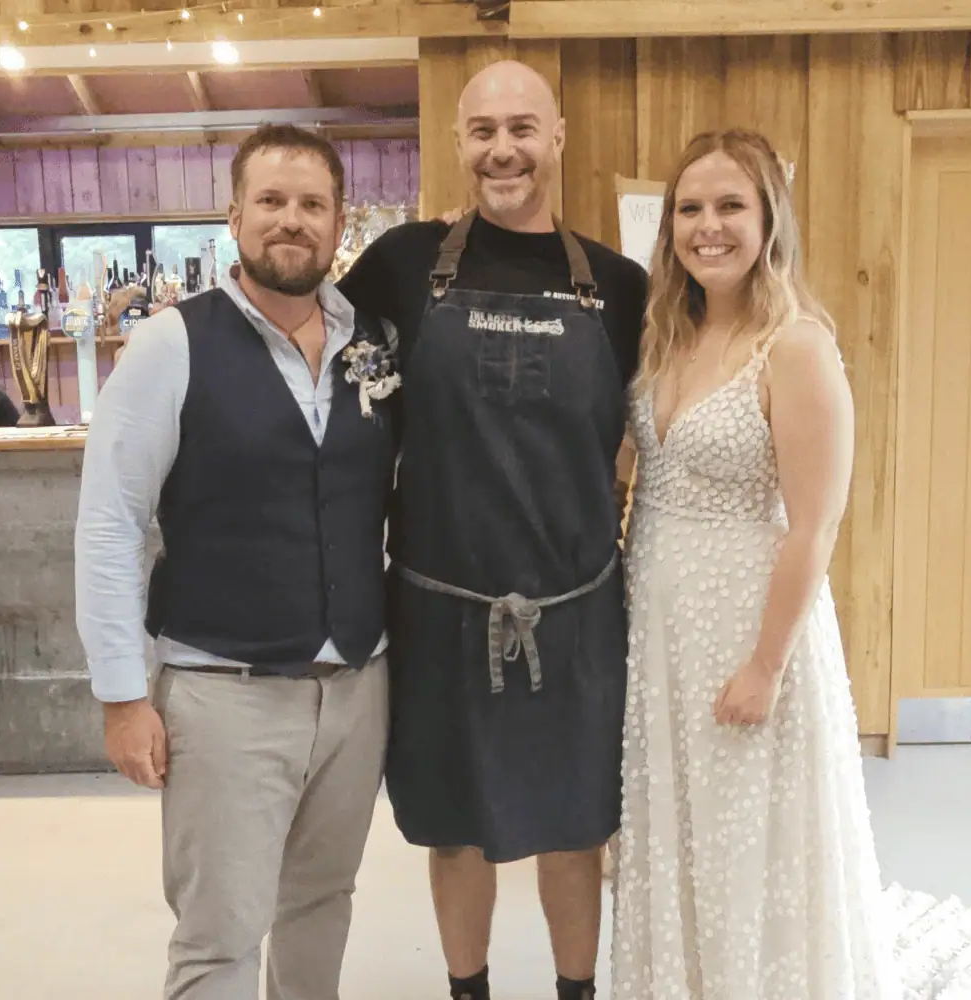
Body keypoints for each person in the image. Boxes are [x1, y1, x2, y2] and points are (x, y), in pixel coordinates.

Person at [337, 60, 647, 1000]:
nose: (502, 150)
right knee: (455, 827)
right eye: (482, 132)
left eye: (522, 129)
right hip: (440, 610)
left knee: (575, 827)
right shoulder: (402, 265)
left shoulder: (621, 287)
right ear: (459, 143)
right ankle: (465, 989)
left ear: (557, 138)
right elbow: (316, 359)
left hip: (579, 612)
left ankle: (576, 991)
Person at [74, 123, 399, 1000]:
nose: (291, 219)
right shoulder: (171, 344)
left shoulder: (373, 343)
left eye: (312, 204)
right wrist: (121, 696)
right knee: (218, 935)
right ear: (234, 217)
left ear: (339, 225)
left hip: (356, 688)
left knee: (321, 905)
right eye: (271, 200)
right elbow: (109, 523)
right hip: (226, 693)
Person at [611, 128, 900, 999]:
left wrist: (767, 666)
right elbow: (632, 468)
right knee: (681, 828)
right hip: (660, 630)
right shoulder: (666, 337)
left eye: (731, 206)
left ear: (771, 218)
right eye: (689, 209)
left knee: (749, 836)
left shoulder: (797, 345)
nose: (708, 227)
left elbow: (815, 525)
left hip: (749, 628)